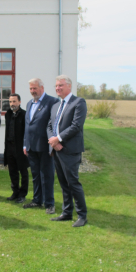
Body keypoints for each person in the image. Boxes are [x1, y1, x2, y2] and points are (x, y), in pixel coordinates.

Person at [47, 75, 88, 227]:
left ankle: (82, 215)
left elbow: (76, 126)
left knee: (73, 183)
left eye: (61, 85)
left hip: (70, 150)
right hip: (57, 150)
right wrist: (53, 141)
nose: (58, 88)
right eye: (56, 86)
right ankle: (67, 212)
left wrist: (58, 139)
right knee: (63, 183)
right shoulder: (55, 106)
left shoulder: (78, 103)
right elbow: (50, 126)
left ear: (69, 86)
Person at [23, 78, 58, 214]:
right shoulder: (29, 104)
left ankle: (49, 203)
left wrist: (52, 144)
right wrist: (25, 144)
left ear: (41, 88)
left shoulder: (52, 102)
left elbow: (54, 125)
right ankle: (37, 200)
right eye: (31, 89)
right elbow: (28, 126)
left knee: (47, 175)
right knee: (36, 175)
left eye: (35, 88)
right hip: (31, 147)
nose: (32, 91)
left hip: (45, 146)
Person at [4, 93, 30, 203]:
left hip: (20, 148)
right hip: (9, 146)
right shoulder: (8, 114)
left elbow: (27, 132)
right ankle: (15, 192)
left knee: (23, 172)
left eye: (14, 101)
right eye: (10, 101)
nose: (12, 104)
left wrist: (26, 146)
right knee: (12, 171)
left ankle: (22, 194)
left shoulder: (24, 115)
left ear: (19, 102)